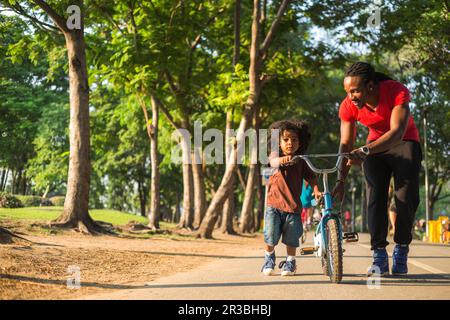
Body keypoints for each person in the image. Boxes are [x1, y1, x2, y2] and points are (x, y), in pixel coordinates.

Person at [332, 62, 422, 276]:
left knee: (405, 197)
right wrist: (340, 181)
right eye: (347, 91)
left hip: (405, 142)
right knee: (376, 197)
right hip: (374, 147)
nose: (351, 96)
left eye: (355, 90)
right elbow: (345, 144)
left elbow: (397, 132)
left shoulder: (396, 91)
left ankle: (401, 248)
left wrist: (364, 150)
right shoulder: (348, 106)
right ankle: (379, 253)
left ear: (371, 86)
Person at [262, 120, 321, 276]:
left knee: (292, 238)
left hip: (293, 207)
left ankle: (290, 261)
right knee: (270, 235)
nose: (290, 143)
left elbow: (311, 176)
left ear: (300, 142)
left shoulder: (301, 160)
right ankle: (269, 257)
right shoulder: (276, 155)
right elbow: (272, 162)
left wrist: (316, 190)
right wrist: (283, 160)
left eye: (294, 139)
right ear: (278, 142)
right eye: (286, 139)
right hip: (273, 205)